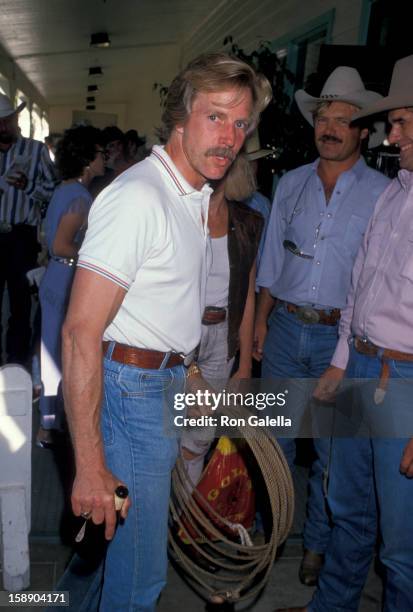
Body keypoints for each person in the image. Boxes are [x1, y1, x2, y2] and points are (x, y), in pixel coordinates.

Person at [61, 53, 271, 611]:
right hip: (131, 391)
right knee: (139, 579)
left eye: (241, 123)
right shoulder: (139, 198)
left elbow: (164, 309)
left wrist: (193, 372)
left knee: (109, 555)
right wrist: (87, 466)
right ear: (180, 116)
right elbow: (81, 332)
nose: (230, 137)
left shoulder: (192, 196)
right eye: (216, 117)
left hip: (160, 379)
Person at [276, 53, 413, 612]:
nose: (392, 131)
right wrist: (339, 361)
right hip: (359, 365)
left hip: (403, 381)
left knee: (402, 545)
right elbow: (359, 290)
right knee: (349, 510)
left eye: (402, 121)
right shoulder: (394, 194)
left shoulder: (378, 188)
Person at [254, 66, 390, 587]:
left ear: (363, 131)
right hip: (286, 329)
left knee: (334, 452)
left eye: (342, 119)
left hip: (343, 340)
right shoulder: (289, 184)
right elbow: (270, 263)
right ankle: (275, 535)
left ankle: (316, 545)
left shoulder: (383, 193)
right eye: (322, 118)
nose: (329, 128)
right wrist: (262, 323)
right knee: (275, 442)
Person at [181, 153, 264, 485]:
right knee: (165, 431)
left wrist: (244, 367)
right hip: (178, 334)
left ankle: (183, 524)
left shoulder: (247, 222)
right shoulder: (179, 214)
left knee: (200, 437)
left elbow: (245, 294)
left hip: (221, 337)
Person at [36, 126, 105, 448]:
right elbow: (61, 245)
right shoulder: (79, 196)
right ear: (88, 160)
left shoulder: (65, 190)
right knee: (61, 355)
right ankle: (51, 427)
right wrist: (95, 255)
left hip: (56, 276)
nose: (104, 159)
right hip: (66, 278)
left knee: (52, 351)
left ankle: (50, 424)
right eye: (101, 153)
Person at [0, 93, 56, 365]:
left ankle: (16, 361)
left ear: (15, 119)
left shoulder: (35, 151)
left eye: (6, 121)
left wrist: (29, 187)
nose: (2, 127)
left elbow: (54, 190)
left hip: (21, 237)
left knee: (20, 304)